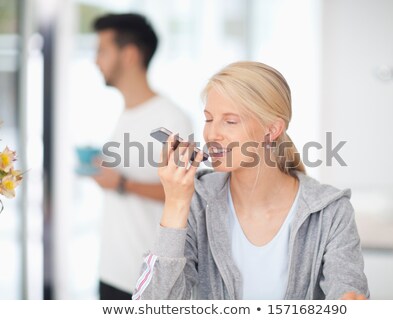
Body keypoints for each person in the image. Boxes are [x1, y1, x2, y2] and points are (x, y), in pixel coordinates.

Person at [132, 61, 369, 300]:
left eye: (230, 121)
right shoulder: (197, 201)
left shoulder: (331, 212)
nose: (212, 134)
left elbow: (348, 292)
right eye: (209, 119)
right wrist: (176, 203)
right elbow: (152, 306)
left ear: (272, 129)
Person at [92, 13, 193, 299]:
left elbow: (186, 192)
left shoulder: (171, 118)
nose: (95, 60)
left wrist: (123, 183)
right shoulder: (125, 113)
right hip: (110, 270)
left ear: (130, 55)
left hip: (143, 279)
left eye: (102, 51)